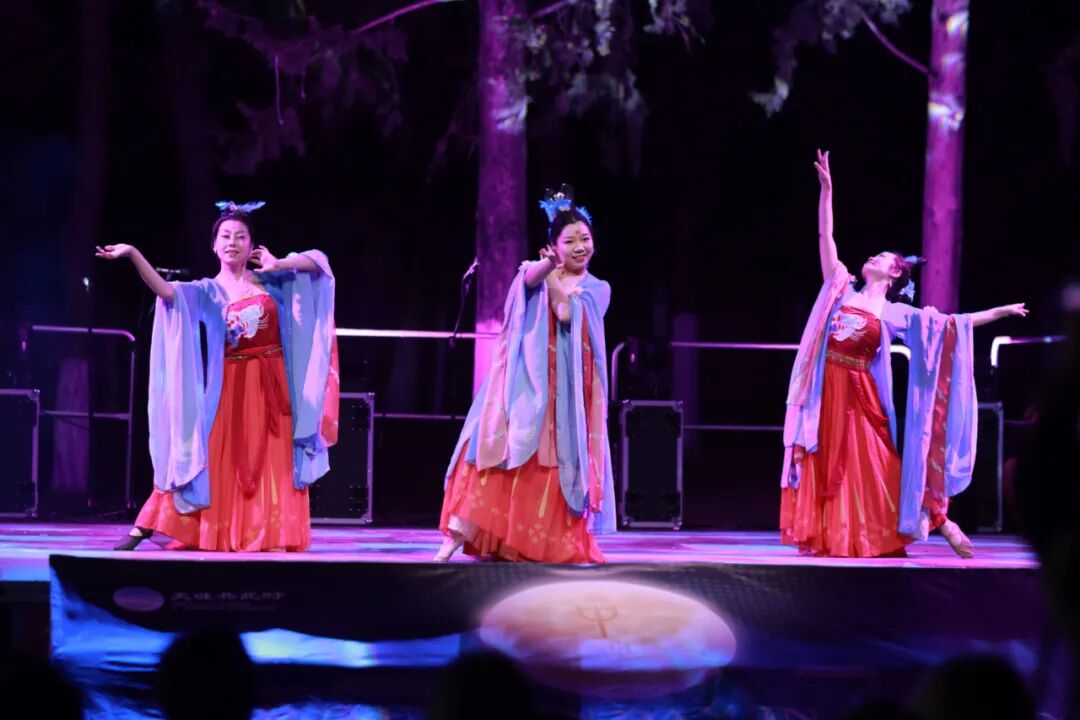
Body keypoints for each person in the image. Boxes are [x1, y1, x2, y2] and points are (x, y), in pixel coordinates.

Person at [780, 151, 1028, 558]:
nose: (871, 257)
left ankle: (940, 520)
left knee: (879, 465)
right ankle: (841, 534)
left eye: (880, 257)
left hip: (860, 397)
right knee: (831, 466)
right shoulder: (840, 288)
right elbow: (826, 237)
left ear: (894, 272)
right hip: (828, 393)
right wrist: (827, 191)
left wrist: (999, 312)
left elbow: (950, 325)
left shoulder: (893, 312)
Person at [98, 201, 338, 552]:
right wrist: (133, 253)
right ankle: (149, 523)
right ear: (214, 245)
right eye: (225, 236)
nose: (232, 242)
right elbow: (166, 291)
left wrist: (280, 263)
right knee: (210, 457)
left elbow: (320, 264)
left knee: (272, 463)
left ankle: (263, 532)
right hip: (228, 386)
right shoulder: (207, 290)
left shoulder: (273, 282)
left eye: (240, 236)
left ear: (252, 244)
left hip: (273, 387)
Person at [435, 185, 615, 562]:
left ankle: (533, 543)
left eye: (585, 239)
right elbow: (528, 279)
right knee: (492, 450)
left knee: (550, 467)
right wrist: (546, 268)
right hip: (524, 384)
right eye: (570, 241)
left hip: (565, 395)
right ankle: (456, 535)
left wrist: (551, 275)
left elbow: (565, 313)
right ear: (554, 246)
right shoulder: (537, 272)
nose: (580, 247)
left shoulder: (598, 288)